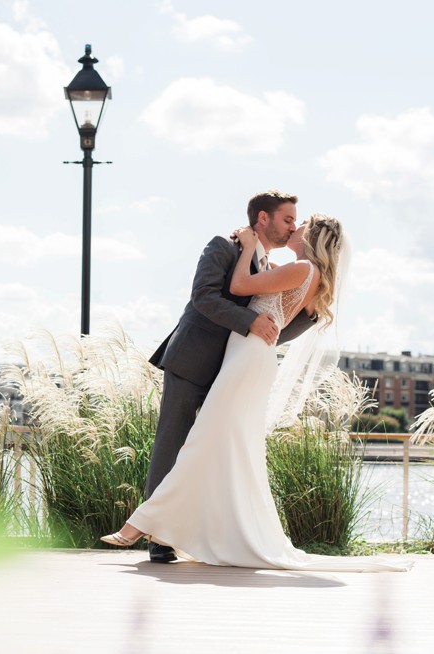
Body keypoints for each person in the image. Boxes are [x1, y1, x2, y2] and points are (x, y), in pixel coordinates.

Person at [102, 212, 411, 572]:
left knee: (202, 442)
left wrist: (249, 247)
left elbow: (239, 288)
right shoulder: (303, 273)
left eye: (302, 225)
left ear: (314, 238)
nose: (295, 228)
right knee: (225, 449)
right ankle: (195, 530)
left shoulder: (301, 270)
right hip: (245, 358)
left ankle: (138, 527)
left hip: (246, 359)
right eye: (291, 221)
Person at [141, 191, 317, 563]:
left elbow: (273, 330)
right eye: (287, 219)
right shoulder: (223, 245)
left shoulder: (271, 269)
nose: (292, 227)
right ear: (264, 218)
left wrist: (310, 313)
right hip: (192, 361)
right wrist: (250, 320)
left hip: (232, 371)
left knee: (215, 452)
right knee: (173, 446)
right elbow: (203, 297)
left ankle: (204, 533)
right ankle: (158, 537)